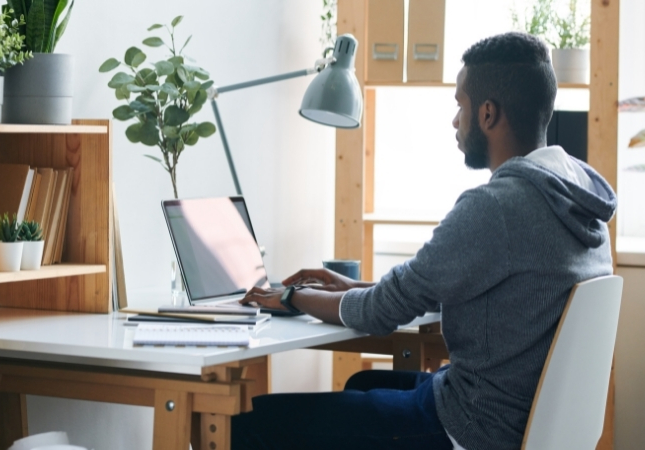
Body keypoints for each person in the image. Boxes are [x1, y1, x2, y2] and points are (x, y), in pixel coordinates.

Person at [233, 32, 616, 450]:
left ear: (487, 114)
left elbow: (380, 313)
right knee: (363, 381)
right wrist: (353, 287)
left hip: (472, 427)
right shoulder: (576, 198)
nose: (456, 120)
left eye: (460, 105)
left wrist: (290, 296)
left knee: (254, 422)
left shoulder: (497, 207)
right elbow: (458, 291)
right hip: (514, 416)